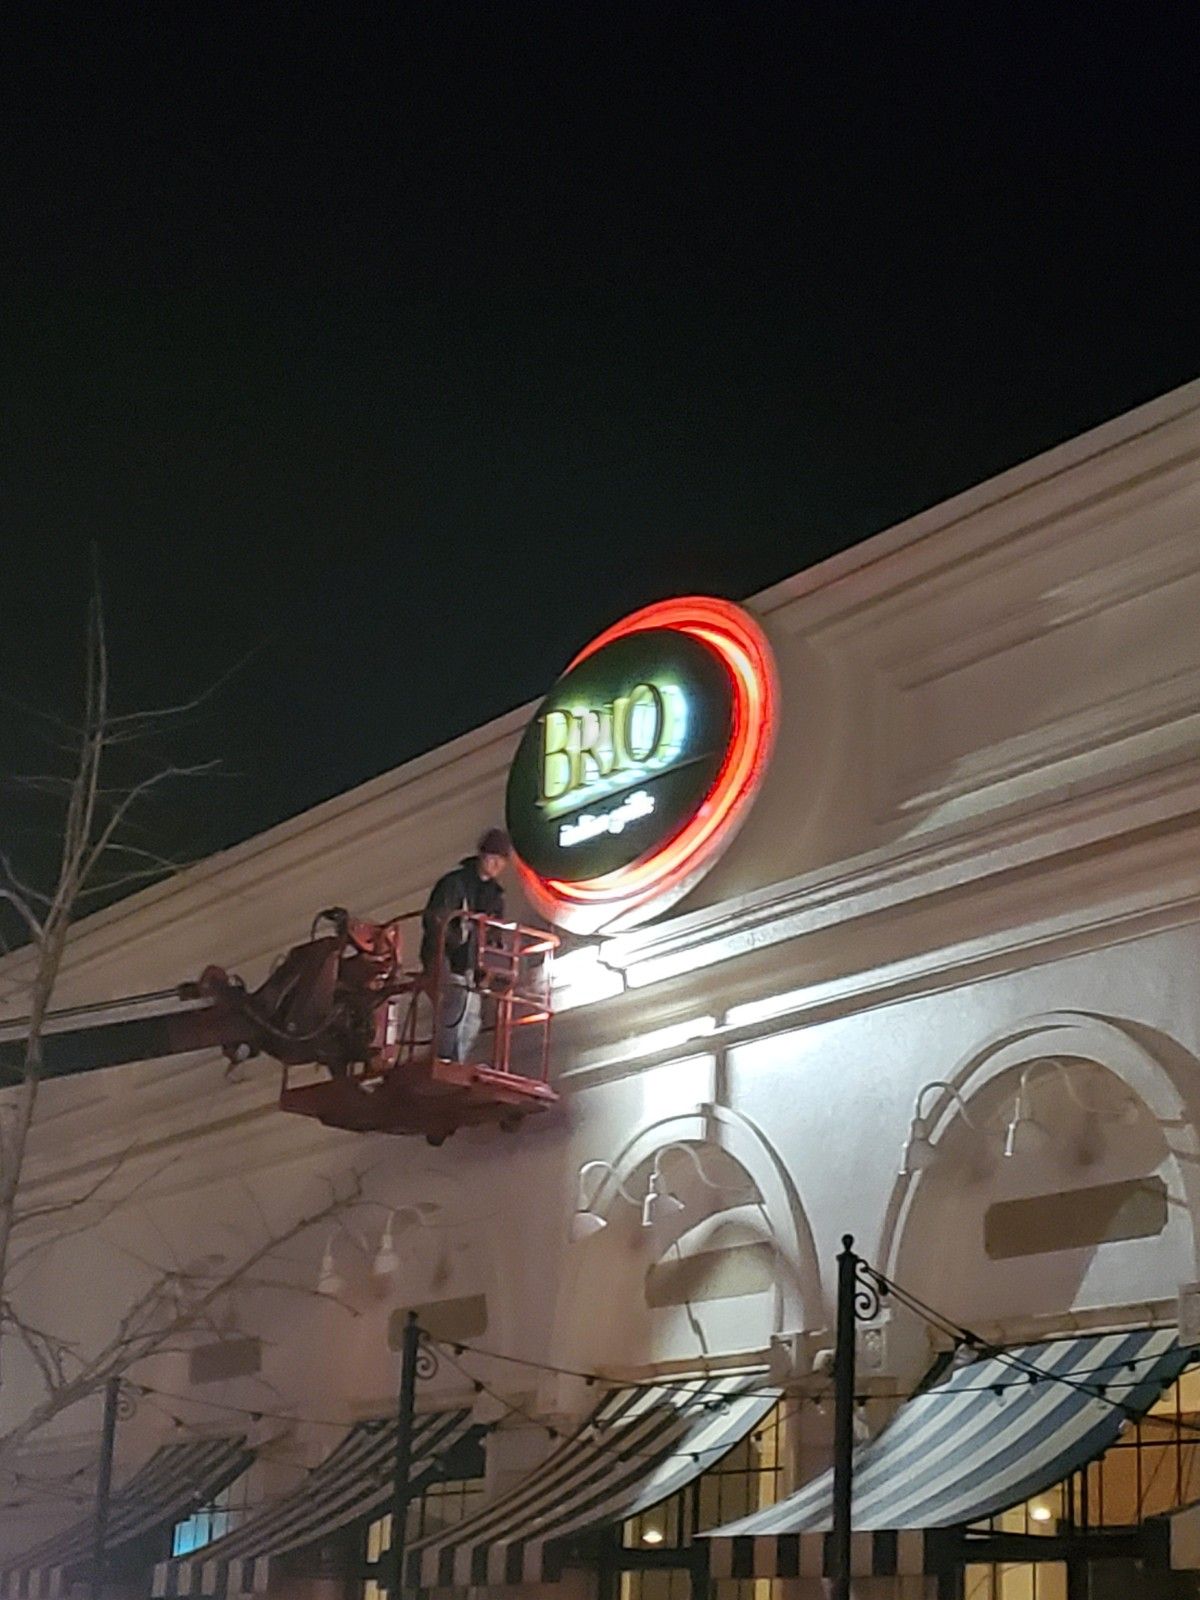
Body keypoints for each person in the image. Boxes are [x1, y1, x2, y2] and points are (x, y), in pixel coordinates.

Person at [420, 828, 511, 1062]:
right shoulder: (454, 884)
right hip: (447, 957)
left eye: (499, 860)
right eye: (491, 857)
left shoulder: (494, 897)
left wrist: (490, 966)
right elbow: (435, 920)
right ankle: (444, 1057)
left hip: (471, 964)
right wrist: (453, 943)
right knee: (458, 1000)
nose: (494, 864)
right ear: (481, 856)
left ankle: (456, 1060)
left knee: (472, 1015)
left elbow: (494, 934)